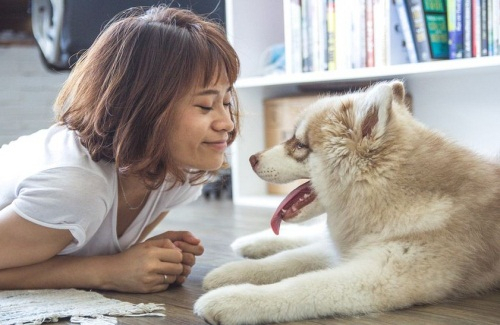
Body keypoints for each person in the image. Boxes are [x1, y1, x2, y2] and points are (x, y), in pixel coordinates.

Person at [0, 5, 240, 293]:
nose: (226, 122)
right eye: (204, 105)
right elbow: (102, 264)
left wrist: (148, 259)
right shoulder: (75, 188)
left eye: (226, 102)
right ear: (142, 108)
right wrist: (106, 272)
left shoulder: (178, 172)